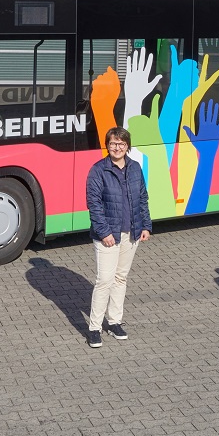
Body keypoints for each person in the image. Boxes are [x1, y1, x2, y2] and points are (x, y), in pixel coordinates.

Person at [86, 126, 153, 348]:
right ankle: (94, 328)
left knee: (120, 278)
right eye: (113, 143)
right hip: (107, 235)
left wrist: (146, 226)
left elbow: (143, 198)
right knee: (104, 280)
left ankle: (114, 322)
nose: (117, 147)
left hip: (131, 233)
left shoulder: (134, 168)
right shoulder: (98, 170)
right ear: (108, 145)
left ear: (127, 146)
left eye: (121, 144)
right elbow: (94, 204)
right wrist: (104, 232)